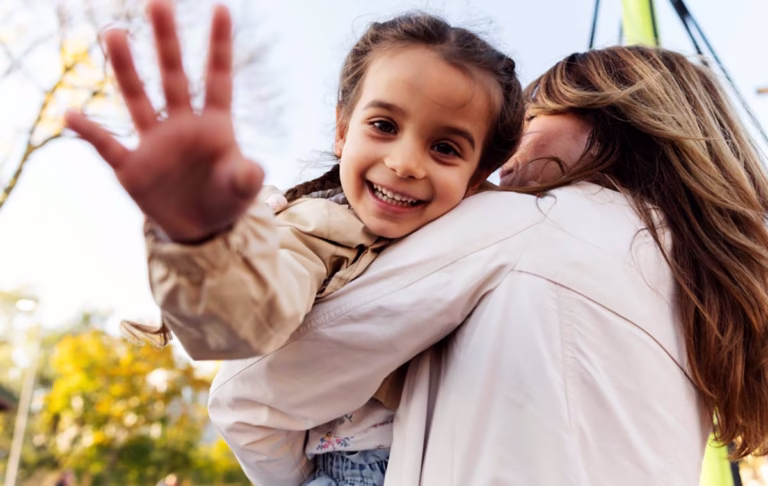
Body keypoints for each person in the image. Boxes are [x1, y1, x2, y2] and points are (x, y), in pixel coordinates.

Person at [208, 45, 768, 485]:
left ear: (606, 122)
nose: (500, 161)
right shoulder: (705, 292)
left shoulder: (531, 221)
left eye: (530, 119)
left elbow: (249, 393)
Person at [63, 1, 525, 484]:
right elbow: (249, 313)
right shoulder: (318, 228)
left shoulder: (494, 231)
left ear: (477, 177)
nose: (405, 162)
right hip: (356, 470)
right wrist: (202, 241)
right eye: (384, 126)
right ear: (342, 131)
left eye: (445, 148)